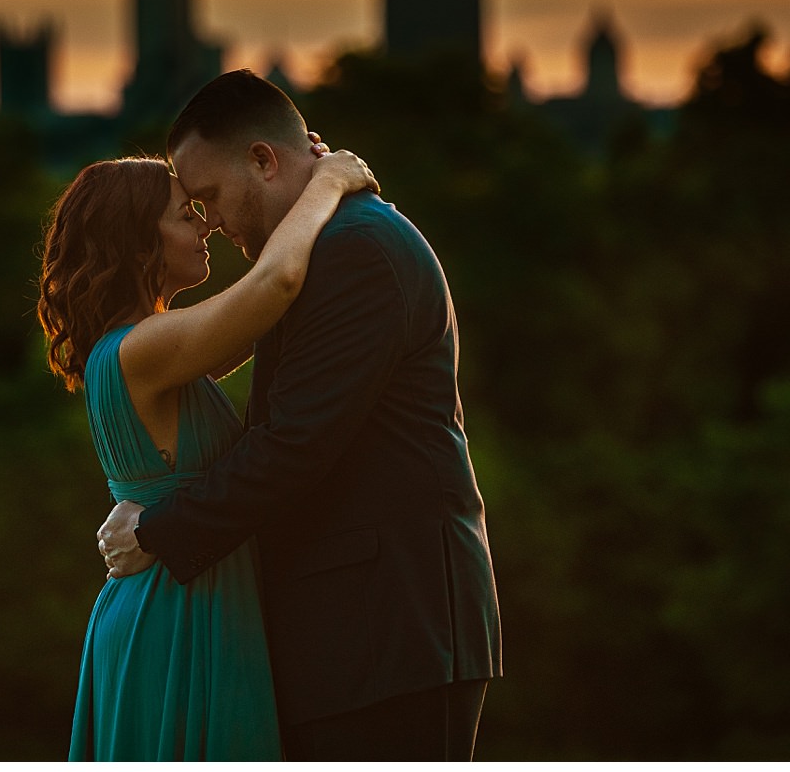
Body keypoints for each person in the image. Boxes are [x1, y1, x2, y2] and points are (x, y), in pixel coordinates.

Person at [96, 69, 503, 760]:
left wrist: (160, 528)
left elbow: (295, 444)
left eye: (211, 198)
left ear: (263, 159)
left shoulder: (358, 251)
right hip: (353, 638)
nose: (213, 223)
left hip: (391, 633)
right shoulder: (322, 248)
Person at [38, 140, 379, 760]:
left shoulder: (149, 349)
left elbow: (264, 319)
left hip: (178, 594)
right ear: (140, 242)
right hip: (176, 611)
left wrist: (291, 179)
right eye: (184, 213)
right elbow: (276, 282)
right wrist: (326, 184)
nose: (206, 225)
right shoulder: (143, 349)